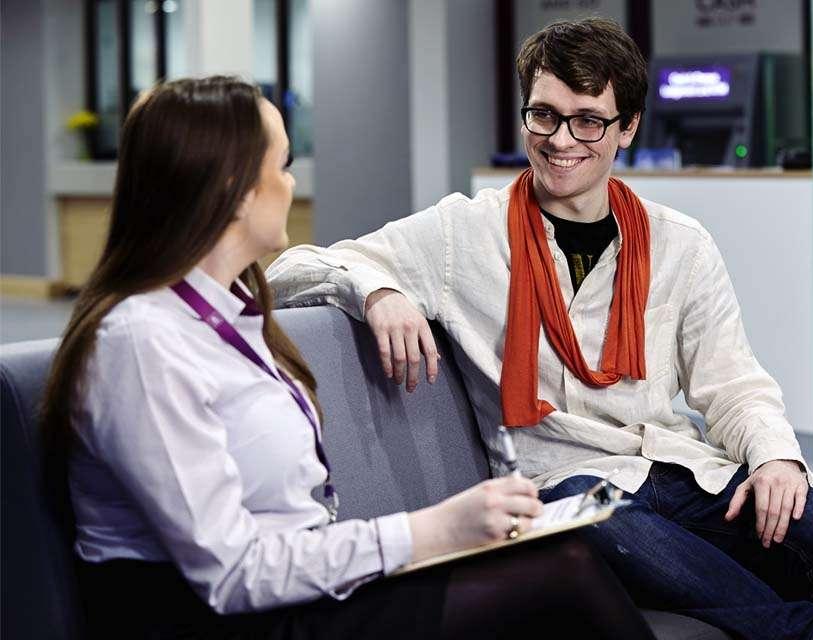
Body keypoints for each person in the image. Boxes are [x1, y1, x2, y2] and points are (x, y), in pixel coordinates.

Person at [267, 17, 813, 640]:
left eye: (588, 120)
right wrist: (377, 290)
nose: (561, 139)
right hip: (565, 485)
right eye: (544, 115)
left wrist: (775, 457)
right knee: (601, 518)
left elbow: (733, 384)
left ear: (628, 128)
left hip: (680, 468)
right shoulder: (464, 234)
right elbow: (293, 268)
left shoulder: (680, 244)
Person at [40, 76, 655, 640]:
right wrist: (435, 531)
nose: (291, 184)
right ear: (233, 190)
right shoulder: (143, 343)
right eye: (282, 167)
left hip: (297, 591)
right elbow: (232, 575)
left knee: (559, 558)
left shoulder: (231, 314)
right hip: (227, 620)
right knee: (563, 573)